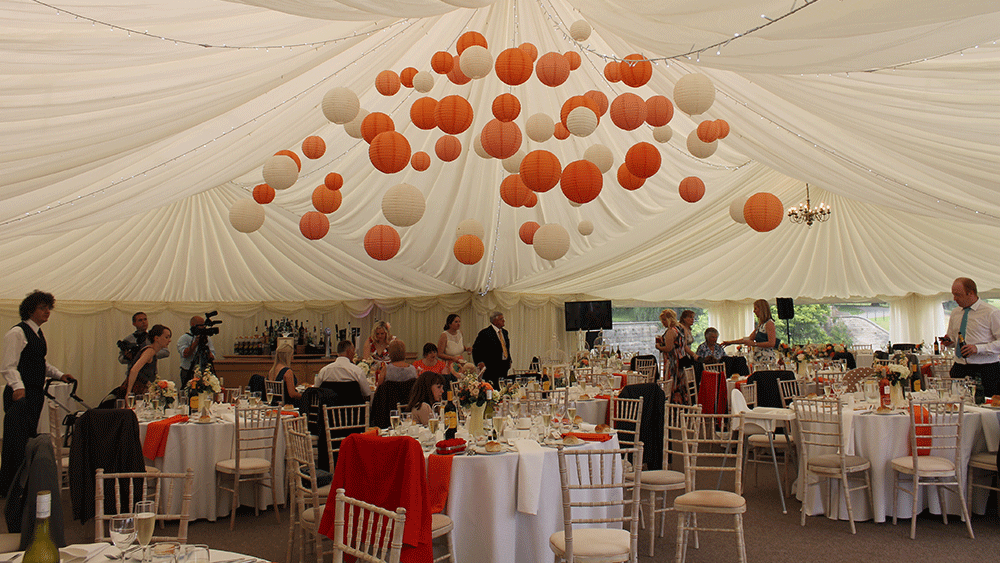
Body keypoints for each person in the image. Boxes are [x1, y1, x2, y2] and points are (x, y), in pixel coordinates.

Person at [0, 290, 75, 496]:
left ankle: (24, 483)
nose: (47, 312)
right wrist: (18, 387)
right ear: (31, 310)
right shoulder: (17, 333)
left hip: (34, 395)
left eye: (48, 308)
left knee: (29, 439)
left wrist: (60, 375)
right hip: (20, 396)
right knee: (16, 440)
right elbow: (8, 366)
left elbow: (41, 363)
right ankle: (11, 487)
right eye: (43, 308)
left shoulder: (38, 334)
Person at [940, 277, 1000, 398]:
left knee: (987, 408)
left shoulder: (991, 312)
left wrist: (978, 348)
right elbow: (953, 339)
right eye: (953, 295)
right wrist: (949, 342)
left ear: (971, 293)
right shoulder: (956, 312)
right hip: (960, 368)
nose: (954, 299)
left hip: (986, 369)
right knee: (958, 405)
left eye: (958, 295)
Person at [723, 299, 778, 369]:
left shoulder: (769, 323)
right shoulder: (760, 325)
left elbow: (771, 343)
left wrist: (754, 344)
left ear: (762, 309)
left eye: (756, 309)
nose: (754, 311)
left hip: (766, 359)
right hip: (758, 358)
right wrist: (731, 342)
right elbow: (748, 339)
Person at [120, 324, 171, 396]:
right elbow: (134, 370)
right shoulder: (150, 351)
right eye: (166, 337)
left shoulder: (152, 352)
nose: (169, 340)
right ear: (156, 338)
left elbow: (144, 374)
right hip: (136, 389)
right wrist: (129, 393)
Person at [654, 309, 686, 402]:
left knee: (672, 384)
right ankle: (681, 403)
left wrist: (659, 347)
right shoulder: (680, 328)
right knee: (680, 384)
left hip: (672, 361)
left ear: (669, 319)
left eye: (664, 320)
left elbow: (668, 348)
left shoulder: (671, 331)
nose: (663, 322)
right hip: (681, 359)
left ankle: (672, 403)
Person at [472, 311, 511, 387]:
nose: (504, 320)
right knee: (493, 388)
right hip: (491, 367)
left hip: (504, 366)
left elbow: (506, 348)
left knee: (503, 388)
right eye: (501, 319)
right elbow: (476, 349)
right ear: (495, 321)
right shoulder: (485, 333)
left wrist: (509, 359)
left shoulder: (505, 332)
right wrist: (479, 362)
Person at [177, 315, 216, 389]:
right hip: (189, 371)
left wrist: (206, 346)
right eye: (201, 325)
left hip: (203, 372)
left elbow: (212, 356)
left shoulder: (206, 338)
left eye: (204, 325)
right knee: (189, 393)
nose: (203, 327)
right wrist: (196, 342)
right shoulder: (184, 338)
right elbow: (185, 354)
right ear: (193, 325)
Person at [268, 343, 302, 407]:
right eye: (292, 355)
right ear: (287, 356)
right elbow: (292, 394)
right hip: (287, 404)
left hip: (274, 403)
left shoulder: (271, 371)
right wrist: (302, 395)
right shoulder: (287, 372)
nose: (293, 357)